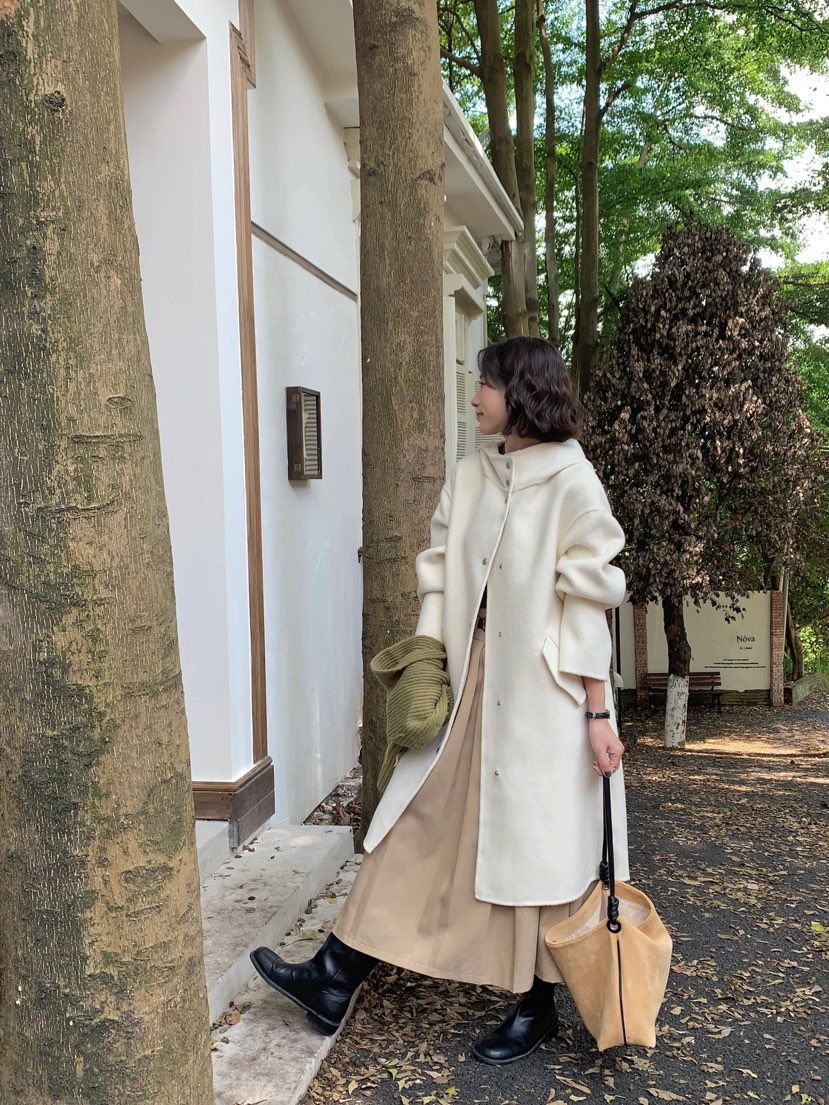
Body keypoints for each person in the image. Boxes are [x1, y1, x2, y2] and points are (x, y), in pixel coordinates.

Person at [251, 336, 629, 1065]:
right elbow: (438, 575)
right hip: (467, 682)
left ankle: (536, 1006)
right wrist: (427, 662)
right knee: (415, 816)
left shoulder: (572, 482)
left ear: (522, 392)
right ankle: (335, 973)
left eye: (486, 383)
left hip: (542, 699)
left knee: (538, 847)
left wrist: (595, 712)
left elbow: (587, 603)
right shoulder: (471, 475)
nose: (474, 395)